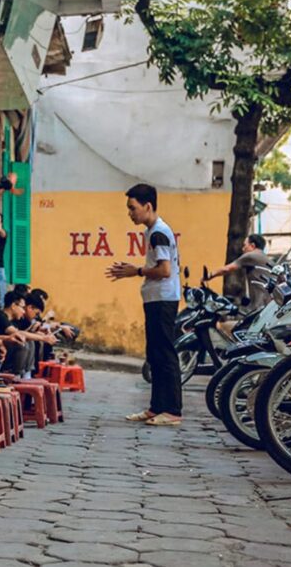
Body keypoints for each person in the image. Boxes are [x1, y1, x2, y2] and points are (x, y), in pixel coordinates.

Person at [106, 183, 182, 427]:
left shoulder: (159, 232)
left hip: (163, 299)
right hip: (155, 298)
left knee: (165, 354)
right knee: (155, 354)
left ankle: (172, 410)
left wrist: (135, 271)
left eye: (133, 208)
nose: (130, 213)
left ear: (147, 206)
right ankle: (156, 407)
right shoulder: (152, 231)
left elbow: (164, 269)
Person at [202, 234, 273, 311]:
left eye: (245, 245)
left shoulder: (251, 256)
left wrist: (209, 276)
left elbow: (226, 269)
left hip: (260, 303)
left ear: (252, 245)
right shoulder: (267, 259)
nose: (243, 249)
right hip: (270, 302)